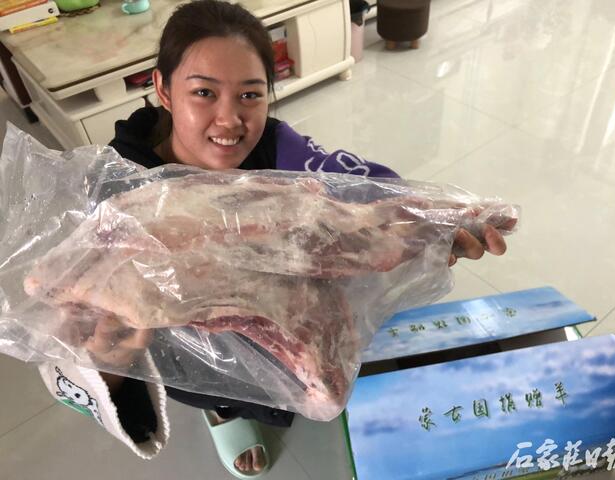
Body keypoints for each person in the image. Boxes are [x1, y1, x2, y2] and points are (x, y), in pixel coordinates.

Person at [36, 0, 508, 478]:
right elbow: (75, 343)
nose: (229, 120)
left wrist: (428, 226)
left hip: (291, 326)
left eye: (249, 95)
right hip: (195, 357)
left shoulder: (279, 148)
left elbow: (371, 192)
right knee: (214, 378)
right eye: (204, 93)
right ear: (163, 88)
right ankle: (224, 410)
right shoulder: (118, 190)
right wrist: (110, 364)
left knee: (318, 364)